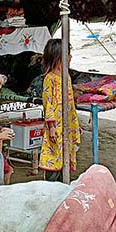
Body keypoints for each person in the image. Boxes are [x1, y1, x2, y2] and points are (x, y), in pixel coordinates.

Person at [39, 38, 81, 182]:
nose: (70, 58)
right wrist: (51, 127)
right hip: (55, 125)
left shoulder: (66, 76)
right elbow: (48, 104)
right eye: (67, 55)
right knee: (53, 157)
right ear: (58, 58)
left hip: (68, 124)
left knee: (66, 157)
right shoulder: (49, 78)